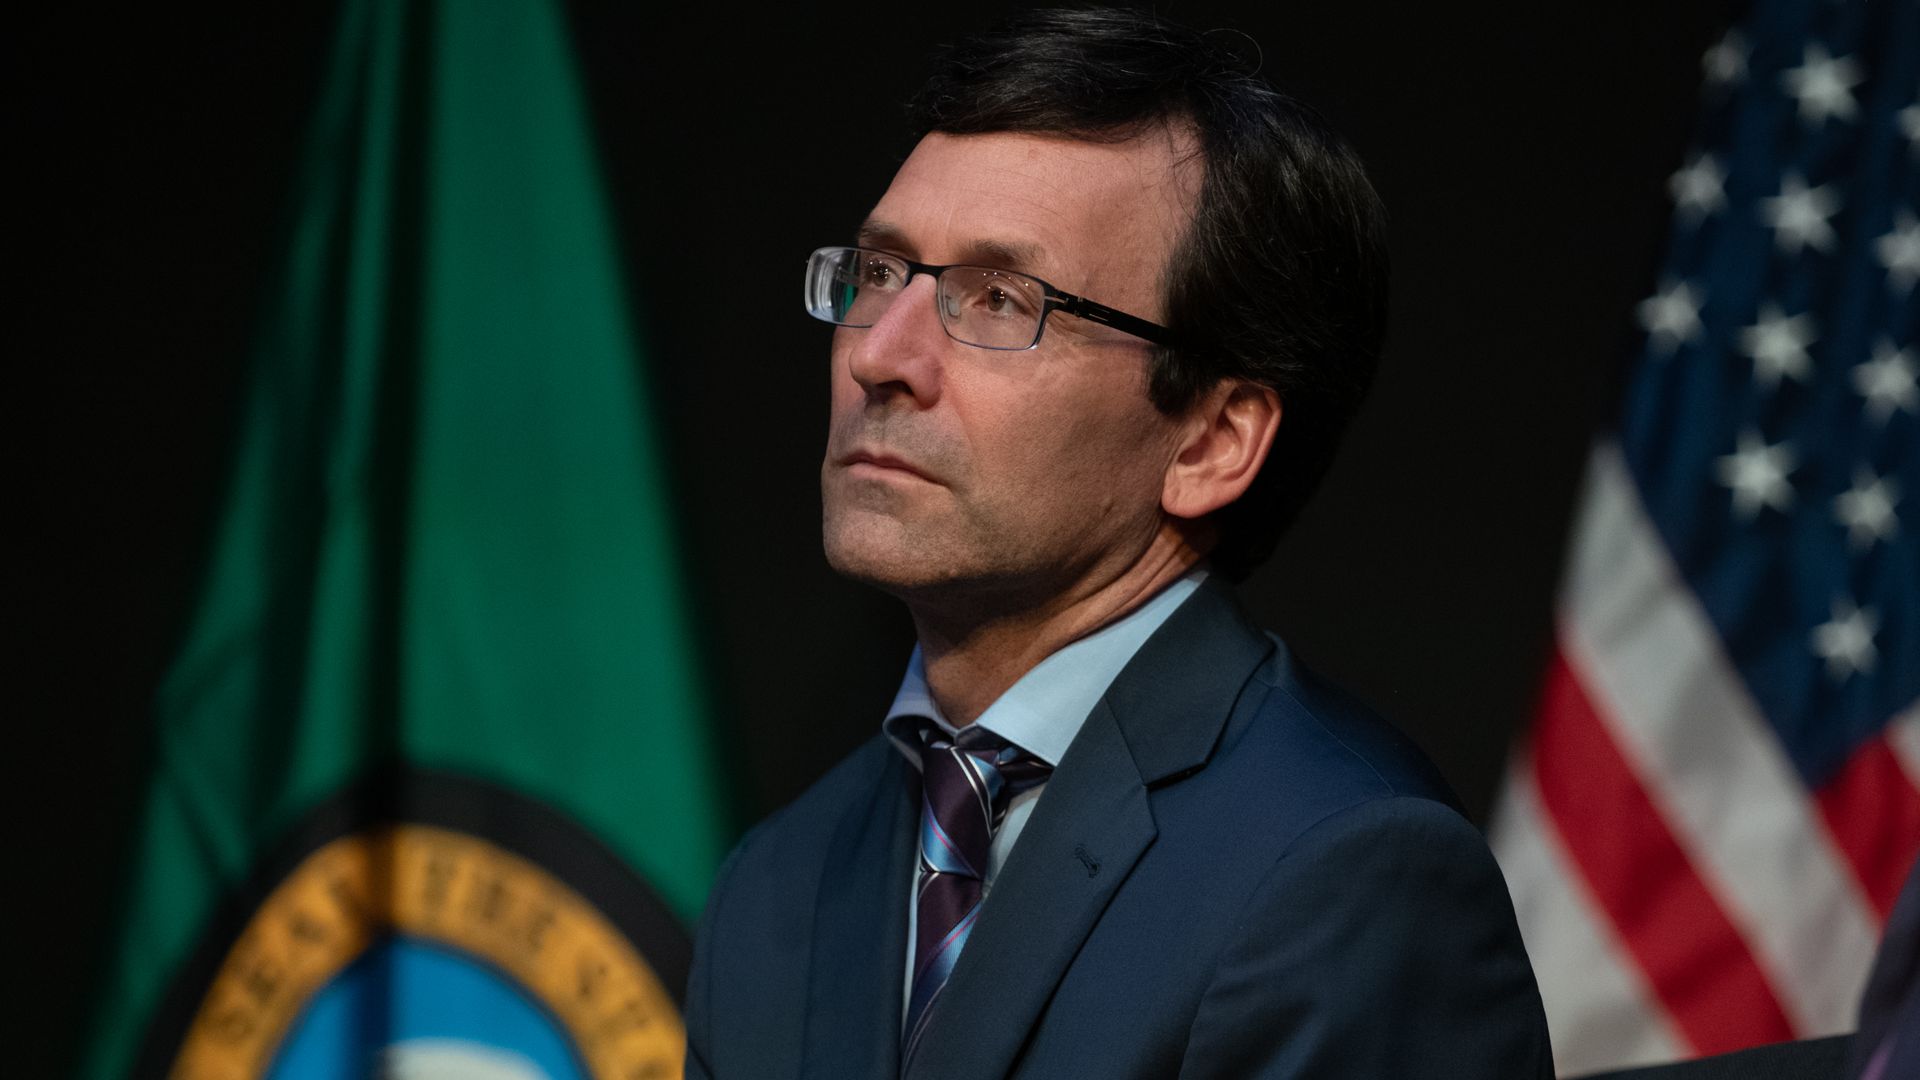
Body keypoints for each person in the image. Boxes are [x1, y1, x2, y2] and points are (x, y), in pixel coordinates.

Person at [683, 9, 1552, 1078]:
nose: (881, 357)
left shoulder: (1343, 874)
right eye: (878, 271)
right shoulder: (778, 882)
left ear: (1212, 439)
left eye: (997, 299)